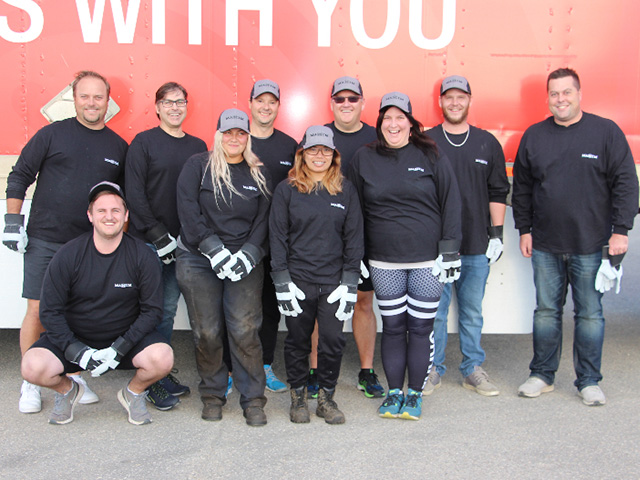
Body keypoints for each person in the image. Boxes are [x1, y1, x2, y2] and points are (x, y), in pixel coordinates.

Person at [512, 67, 638, 406]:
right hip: (546, 244)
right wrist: (524, 229)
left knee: (590, 314)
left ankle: (589, 381)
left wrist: (621, 231)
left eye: (567, 92)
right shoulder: (535, 136)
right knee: (546, 312)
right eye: (554, 94)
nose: (560, 99)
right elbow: (522, 188)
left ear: (579, 94)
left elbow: (626, 183)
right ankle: (542, 374)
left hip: (592, 244)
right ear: (548, 98)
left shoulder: (605, 133)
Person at [4, 70, 127, 414]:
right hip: (46, 239)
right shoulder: (51, 135)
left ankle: (72, 374)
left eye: (98, 96)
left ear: (108, 101)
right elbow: (20, 175)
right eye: (85, 96)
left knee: (76, 313)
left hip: (88, 247)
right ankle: (32, 381)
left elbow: (122, 201)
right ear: (74, 99)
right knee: (39, 310)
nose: (92, 103)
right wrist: (13, 221)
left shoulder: (118, 147)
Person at [20, 181, 173, 425]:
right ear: (90, 216)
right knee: (32, 366)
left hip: (124, 342)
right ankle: (67, 390)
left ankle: (133, 393)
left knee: (162, 357)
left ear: (126, 215)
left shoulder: (142, 256)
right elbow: (50, 312)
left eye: (115, 211)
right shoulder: (68, 255)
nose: (109, 217)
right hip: (76, 339)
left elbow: (152, 311)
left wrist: (119, 348)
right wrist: (75, 351)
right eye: (101, 211)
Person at [348, 92, 462, 420]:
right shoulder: (363, 158)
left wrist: (450, 250)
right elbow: (353, 211)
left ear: (411, 124)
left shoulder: (431, 154)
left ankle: (415, 394)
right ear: (380, 123)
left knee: (420, 327)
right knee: (394, 327)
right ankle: (395, 392)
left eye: (401, 118)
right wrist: (355, 253)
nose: (394, 124)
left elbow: (451, 202)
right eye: (388, 118)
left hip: (428, 260)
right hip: (384, 260)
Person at [175, 108, 270, 426]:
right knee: (207, 331)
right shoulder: (197, 166)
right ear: (218, 134)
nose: (234, 138)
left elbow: (264, 220)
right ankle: (213, 395)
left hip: (244, 260)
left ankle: (253, 399)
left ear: (248, 136)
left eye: (240, 133)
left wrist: (248, 255)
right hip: (199, 259)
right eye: (227, 132)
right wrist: (213, 250)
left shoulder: (258, 170)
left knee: (244, 330)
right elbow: (187, 211)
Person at [270, 126, 364, 424]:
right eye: (312, 150)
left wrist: (350, 281)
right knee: (297, 339)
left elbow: (354, 237)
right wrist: (281, 279)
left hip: (334, 281)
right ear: (302, 154)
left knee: (332, 341)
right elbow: (277, 236)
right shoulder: (287, 189)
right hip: (298, 279)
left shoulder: (345, 190)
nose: (319, 155)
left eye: (325, 150)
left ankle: (325, 398)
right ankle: (298, 398)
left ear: (334, 156)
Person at [125, 82, 208, 410]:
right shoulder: (143, 143)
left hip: (185, 246)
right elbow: (134, 194)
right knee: (149, 311)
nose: (175, 107)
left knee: (167, 311)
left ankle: (158, 373)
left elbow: (202, 197)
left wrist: (190, 238)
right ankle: (148, 379)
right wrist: (159, 237)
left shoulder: (198, 145)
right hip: (149, 245)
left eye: (181, 101)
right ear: (157, 107)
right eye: (168, 102)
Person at [426, 76, 510, 396]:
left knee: (472, 311)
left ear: (470, 101)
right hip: (437, 247)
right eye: (449, 97)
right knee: (435, 310)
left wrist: (497, 234)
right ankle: (432, 368)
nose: (455, 102)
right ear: (441, 102)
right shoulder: (427, 141)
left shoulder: (487, 142)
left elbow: (498, 190)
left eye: (461, 97)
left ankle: (471, 367)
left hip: (476, 245)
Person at [315, 75, 383, 400]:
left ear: (362, 103)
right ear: (331, 103)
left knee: (363, 301)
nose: (345, 104)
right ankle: (315, 372)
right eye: (339, 99)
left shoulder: (377, 137)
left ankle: (367, 371)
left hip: (366, 235)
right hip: (322, 238)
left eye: (352, 99)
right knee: (320, 302)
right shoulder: (319, 137)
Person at [248, 79, 298, 393]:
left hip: (277, 244)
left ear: (278, 106)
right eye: (260, 101)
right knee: (237, 309)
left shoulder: (290, 146)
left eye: (272, 102)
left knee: (269, 308)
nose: (266, 107)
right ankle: (231, 371)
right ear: (250, 103)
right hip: (240, 242)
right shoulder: (236, 140)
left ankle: (265, 366)